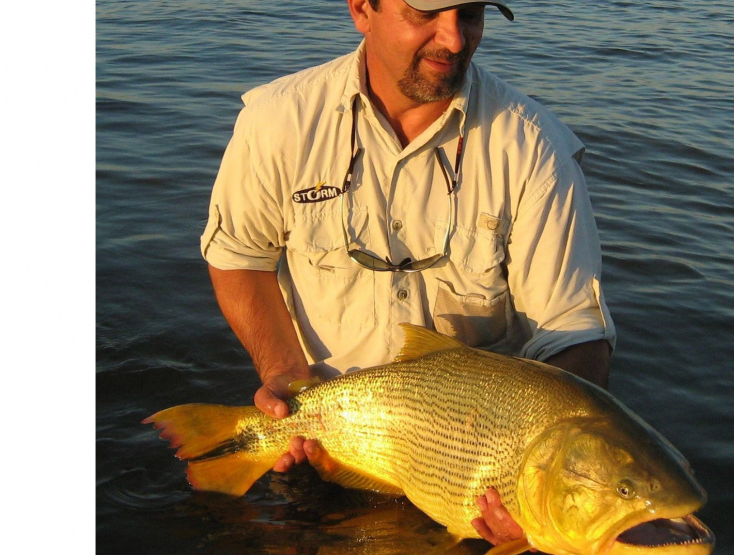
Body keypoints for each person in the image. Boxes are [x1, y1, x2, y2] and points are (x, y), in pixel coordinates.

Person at [200, 0, 617, 547]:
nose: (454, 38)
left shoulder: (534, 148)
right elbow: (239, 256)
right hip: (319, 440)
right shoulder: (279, 120)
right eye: (426, 14)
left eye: (469, 14)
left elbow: (574, 330)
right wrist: (283, 374)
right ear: (361, 10)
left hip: (476, 477)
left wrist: (544, 487)